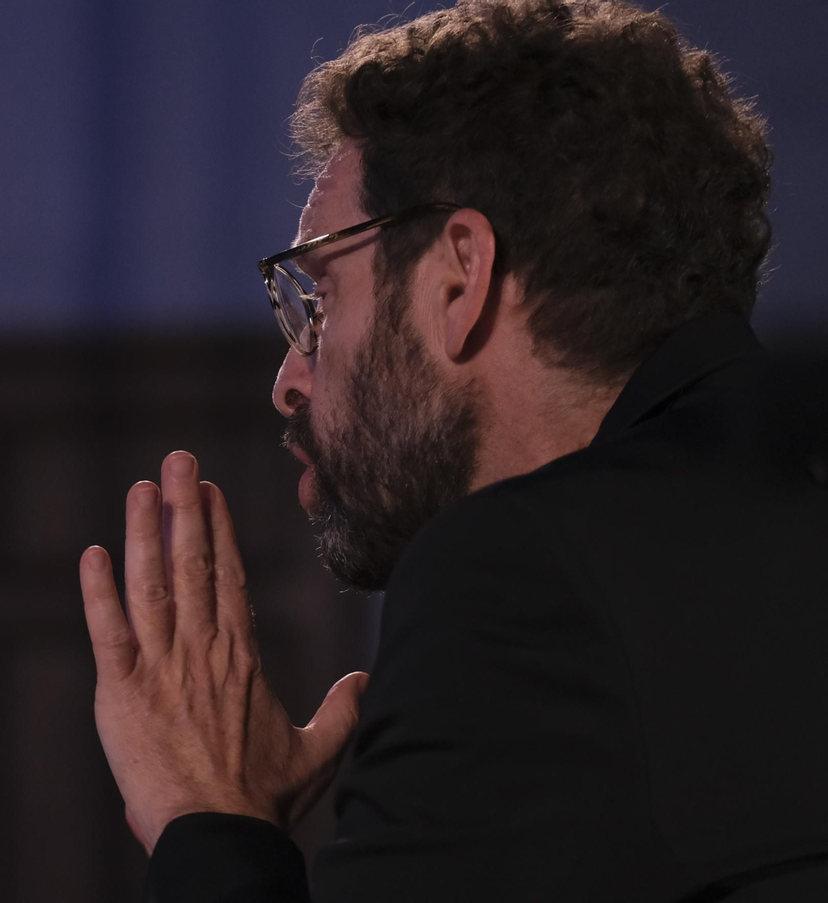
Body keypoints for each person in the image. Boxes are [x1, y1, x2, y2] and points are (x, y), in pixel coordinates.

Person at [76, 1, 828, 900]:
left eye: (318, 297)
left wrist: (211, 822)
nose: (288, 377)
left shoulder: (523, 582)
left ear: (459, 276)